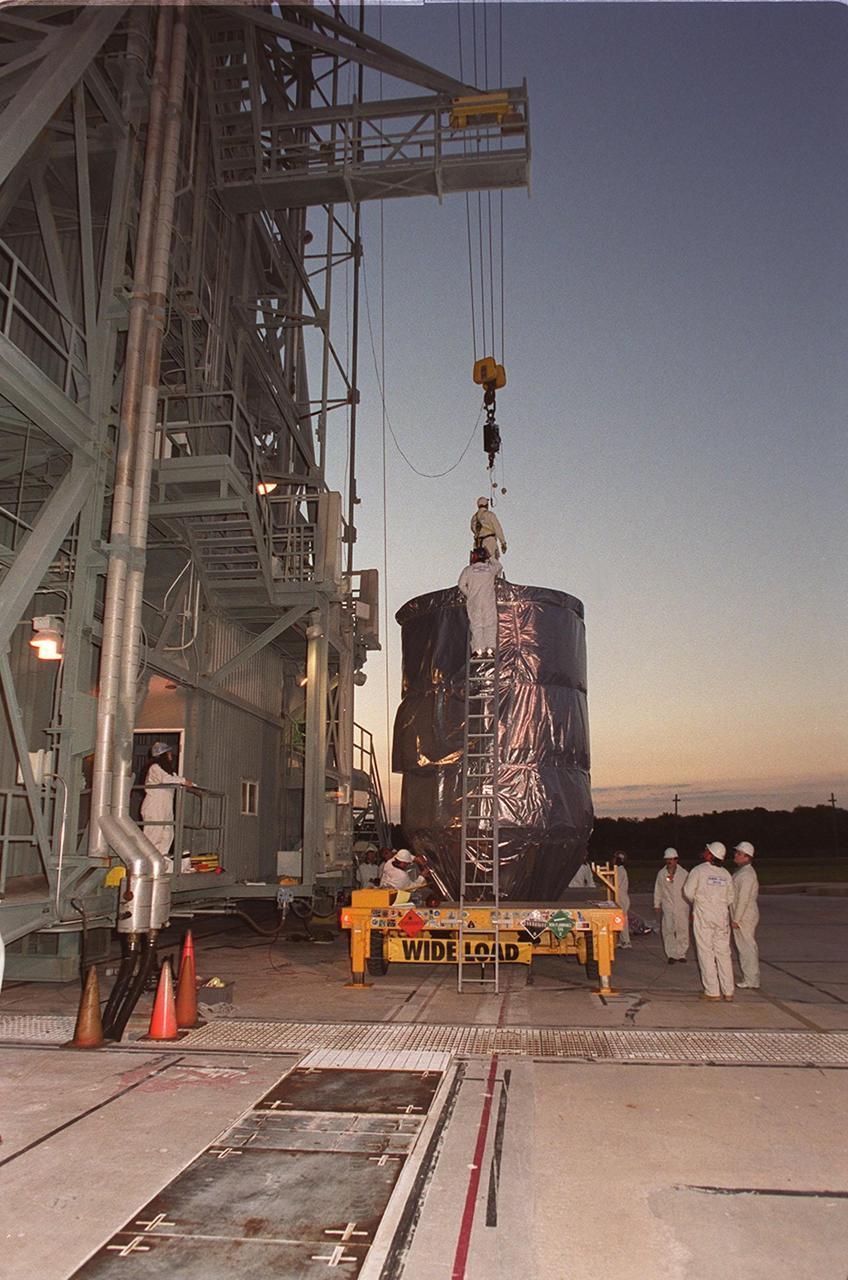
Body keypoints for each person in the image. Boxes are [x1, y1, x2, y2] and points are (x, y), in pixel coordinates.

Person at [683, 842, 734, 1000]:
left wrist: (699, 902)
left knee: (706, 953)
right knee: (724, 953)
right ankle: (728, 991)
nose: (705, 852)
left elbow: (688, 892)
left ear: (711, 855)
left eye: (707, 850)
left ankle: (712, 991)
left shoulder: (698, 871)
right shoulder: (726, 874)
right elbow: (731, 897)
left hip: (704, 917)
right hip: (722, 918)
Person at [141, 742, 194, 873]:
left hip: (165, 808)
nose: (171, 756)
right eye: (168, 753)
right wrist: (183, 781)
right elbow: (166, 779)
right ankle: (147, 865)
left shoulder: (168, 771)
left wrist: (188, 783)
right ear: (163, 755)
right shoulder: (155, 768)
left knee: (167, 834)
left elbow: (174, 778)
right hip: (155, 807)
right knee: (154, 836)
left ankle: (161, 864)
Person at [458, 546, 503, 656]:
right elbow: (499, 566)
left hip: (474, 602)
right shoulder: (490, 569)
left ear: (474, 556)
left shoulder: (468, 570)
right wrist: (491, 557)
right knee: (490, 624)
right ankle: (491, 649)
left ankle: (478, 650)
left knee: (476, 625)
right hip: (488, 601)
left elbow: (461, 585)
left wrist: (470, 595)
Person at [731, 840, 760, 988]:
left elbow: (743, 898)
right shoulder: (742, 872)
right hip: (742, 915)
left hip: (744, 916)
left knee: (747, 947)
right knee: (743, 947)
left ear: (747, 857)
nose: (736, 855)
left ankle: (751, 980)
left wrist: (736, 919)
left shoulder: (747, 874)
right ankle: (749, 978)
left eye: (739, 853)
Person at [653, 847, 689, 963]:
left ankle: (681, 953)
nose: (669, 862)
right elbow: (658, 889)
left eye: (672, 859)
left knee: (682, 930)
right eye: (667, 859)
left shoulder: (684, 874)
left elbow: (689, 890)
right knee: (668, 930)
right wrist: (656, 904)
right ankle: (671, 954)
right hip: (668, 906)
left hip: (681, 906)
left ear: (676, 860)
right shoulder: (661, 874)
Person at [614, 851, 631, 948]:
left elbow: (615, 884)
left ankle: (626, 941)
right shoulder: (618, 870)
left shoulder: (620, 871)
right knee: (620, 920)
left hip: (622, 898)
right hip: (620, 897)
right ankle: (622, 940)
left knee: (623, 920)